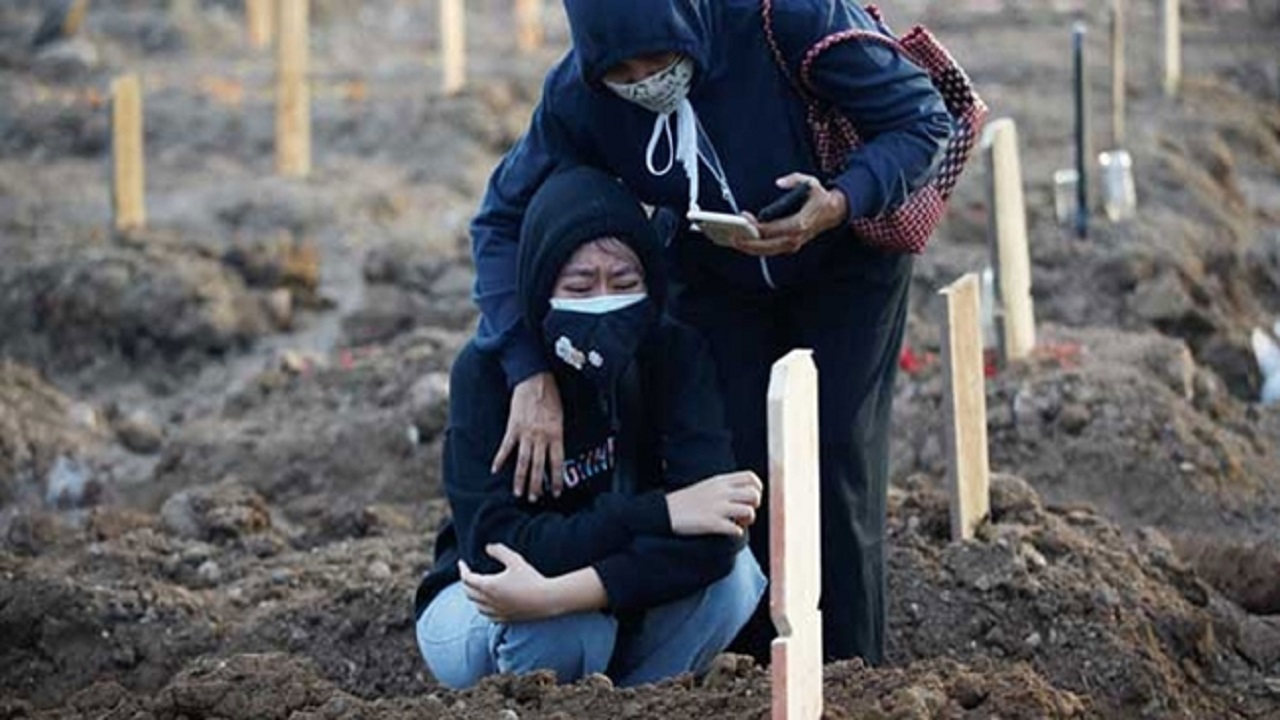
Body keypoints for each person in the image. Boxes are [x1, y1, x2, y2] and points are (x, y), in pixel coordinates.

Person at [468, 0, 954, 665]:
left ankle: (847, 672)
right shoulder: (578, 94)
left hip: (844, 263)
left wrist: (839, 201)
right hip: (711, 272)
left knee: (835, 457)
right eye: (622, 70)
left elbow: (922, 119)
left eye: (660, 59)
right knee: (731, 468)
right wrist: (527, 367)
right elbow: (501, 221)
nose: (644, 79)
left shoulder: (788, 18)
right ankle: (750, 672)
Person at [414, 166, 766, 689]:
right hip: (483, 603)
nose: (603, 298)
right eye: (579, 285)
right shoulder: (488, 375)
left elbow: (714, 540)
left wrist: (561, 591)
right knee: (568, 631)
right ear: (539, 285)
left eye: (625, 283)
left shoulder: (673, 354)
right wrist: (661, 513)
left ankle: (633, 700)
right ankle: (527, 700)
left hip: (585, 600)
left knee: (734, 579)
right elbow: (499, 548)